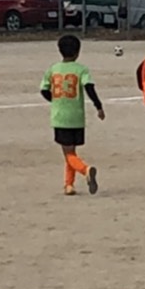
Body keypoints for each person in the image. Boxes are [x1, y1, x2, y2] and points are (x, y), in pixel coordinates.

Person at [41, 32, 105, 196]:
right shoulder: (81, 69)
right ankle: (69, 185)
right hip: (77, 117)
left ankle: (85, 170)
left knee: (68, 153)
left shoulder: (53, 69)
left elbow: (44, 90)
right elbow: (89, 88)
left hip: (60, 117)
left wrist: (55, 100)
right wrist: (98, 106)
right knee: (71, 152)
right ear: (78, 51)